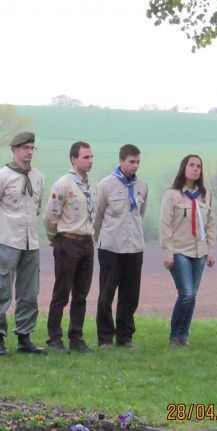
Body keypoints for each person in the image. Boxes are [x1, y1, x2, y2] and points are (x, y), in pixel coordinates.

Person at [0, 131, 46, 356]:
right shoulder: (1, 176)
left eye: (32, 148)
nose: (29, 152)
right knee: (1, 289)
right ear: (14, 150)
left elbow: (37, 206)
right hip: (7, 240)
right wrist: (3, 223)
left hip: (31, 242)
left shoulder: (38, 177)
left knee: (29, 292)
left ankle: (24, 337)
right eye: (25, 148)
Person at [43, 141, 96, 354]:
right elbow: (50, 216)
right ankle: (54, 337)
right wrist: (55, 239)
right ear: (74, 159)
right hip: (68, 240)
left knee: (81, 294)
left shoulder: (92, 185)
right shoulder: (63, 184)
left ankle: (76, 337)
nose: (90, 161)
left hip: (87, 242)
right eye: (85, 157)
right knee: (62, 292)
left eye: (91, 157)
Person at [160, 154, 216, 347]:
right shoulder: (172, 195)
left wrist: (210, 251)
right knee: (186, 294)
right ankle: (174, 336)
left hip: (200, 252)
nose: (195, 169)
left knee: (193, 297)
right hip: (179, 251)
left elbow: (211, 224)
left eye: (198, 166)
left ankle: (183, 336)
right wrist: (167, 253)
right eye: (191, 165)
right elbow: (165, 225)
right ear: (184, 168)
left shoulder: (206, 195)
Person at [95, 144, 148, 349]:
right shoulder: (106, 185)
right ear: (121, 160)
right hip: (111, 247)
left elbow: (140, 215)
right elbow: (98, 216)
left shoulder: (142, 186)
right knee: (107, 293)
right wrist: (100, 240)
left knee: (130, 294)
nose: (135, 166)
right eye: (131, 162)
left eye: (138, 162)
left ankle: (125, 337)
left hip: (134, 247)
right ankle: (105, 337)